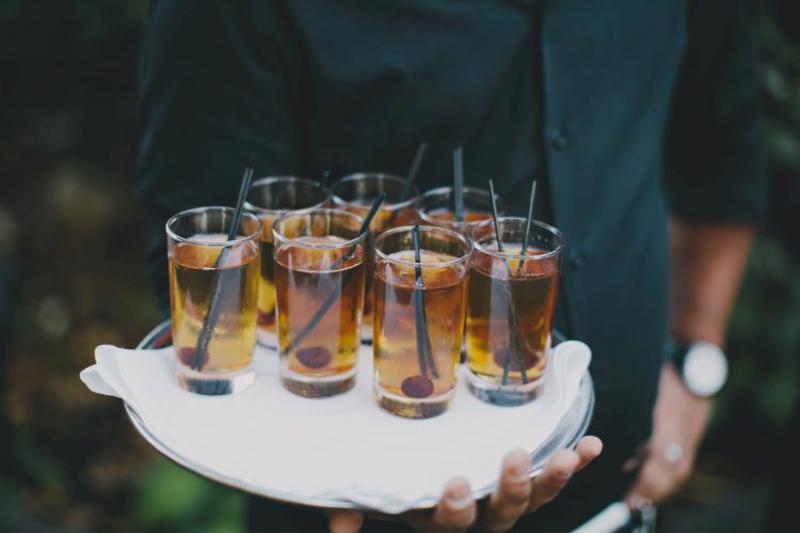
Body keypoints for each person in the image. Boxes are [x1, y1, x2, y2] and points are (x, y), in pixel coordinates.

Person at [135, 1, 766, 531]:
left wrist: (695, 355)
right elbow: (215, 267)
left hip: (615, 506)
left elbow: (723, 144)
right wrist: (347, 477)